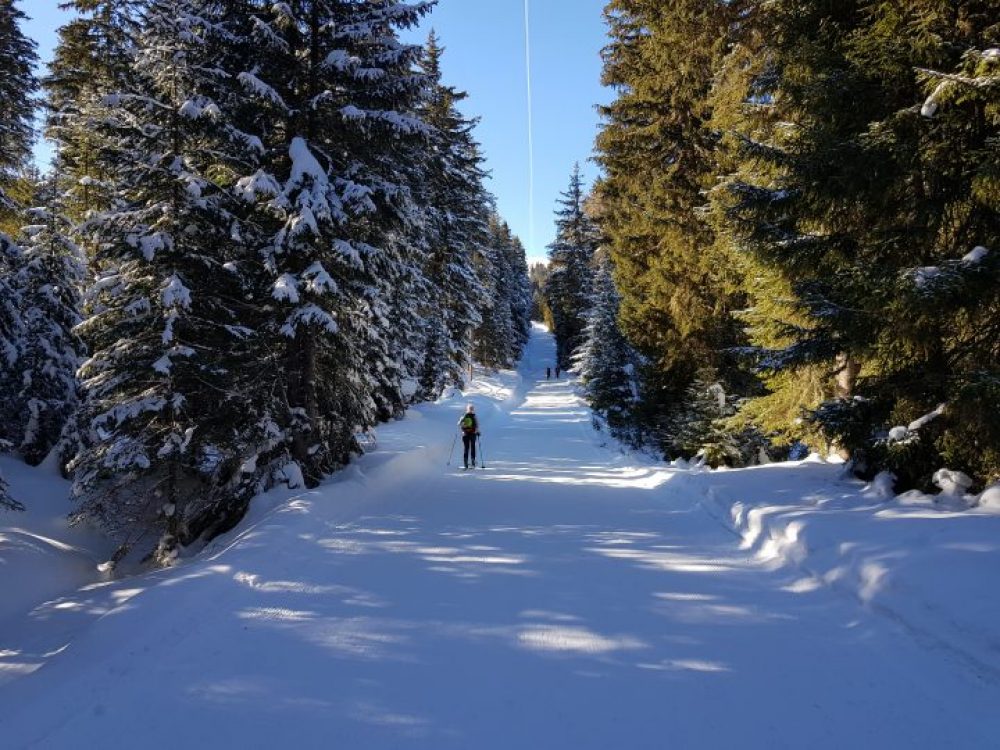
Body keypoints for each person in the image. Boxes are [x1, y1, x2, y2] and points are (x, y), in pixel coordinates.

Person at [457, 404, 480, 469]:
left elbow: (458, 424)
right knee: (473, 447)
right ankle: (473, 462)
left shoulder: (464, 416)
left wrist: (463, 427)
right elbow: (477, 425)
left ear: (467, 409)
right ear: (473, 409)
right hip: (473, 434)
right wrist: (478, 432)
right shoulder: (474, 416)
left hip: (465, 434)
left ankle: (465, 463)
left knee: (466, 448)